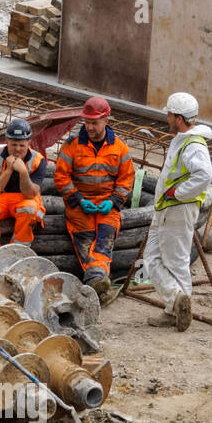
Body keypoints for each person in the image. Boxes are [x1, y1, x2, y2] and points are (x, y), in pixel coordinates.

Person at [144, 92, 212, 333]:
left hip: (178, 209)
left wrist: (179, 193)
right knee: (152, 258)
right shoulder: (183, 139)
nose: (167, 118)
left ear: (178, 117)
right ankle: (175, 303)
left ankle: (177, 309)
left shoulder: (194, 145)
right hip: (166, 209)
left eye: (170, 114)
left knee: (176, 262)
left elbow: (205, 175)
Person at [54, 96, 135, 305]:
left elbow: (126, 179)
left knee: (105, 239)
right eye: (86, 122)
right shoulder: (72, 146)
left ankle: (95, 280)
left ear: (106, 120)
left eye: (94, 123)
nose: (89, 127)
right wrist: (79, 200)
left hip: (108, 205)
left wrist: (114, 200)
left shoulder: (120, 148)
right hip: (80, 206)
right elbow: (61, 177)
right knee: (86, 240)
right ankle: (99, 281)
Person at [0, 117, 46, 250]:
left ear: (29, 142)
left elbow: (30, 194)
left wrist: (23, 172)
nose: (17, 149)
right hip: (1, 196)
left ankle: (18, 248)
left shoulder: (38, 160)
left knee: (29, 208)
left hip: (24, 198)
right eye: (14, 144)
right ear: (7, 141)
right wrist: (9, 170)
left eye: (22, 145)